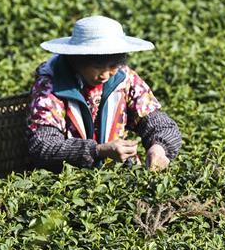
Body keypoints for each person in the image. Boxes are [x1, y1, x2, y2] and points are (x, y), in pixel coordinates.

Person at [26, 15, 182, 172]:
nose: (105, 75)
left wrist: (159, 149)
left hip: (118, 174)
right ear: (76, 60)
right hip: (66, 179)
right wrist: (99, 150)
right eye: (97, 67)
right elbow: (43, 146)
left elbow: (162, 125)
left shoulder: (125, 78)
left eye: (113, 66)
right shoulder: (51, 86)